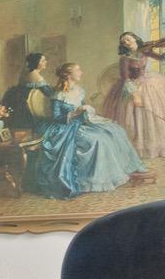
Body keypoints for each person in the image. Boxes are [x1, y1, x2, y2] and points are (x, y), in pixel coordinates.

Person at [28, 63, 154, 199]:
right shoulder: (58, 95)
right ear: (68, 75)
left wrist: (86, 111)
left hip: (81, 122)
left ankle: (130, 168)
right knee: (98, 139)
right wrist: (75, 113)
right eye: (78, 70)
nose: (81, 72)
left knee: (115, 130)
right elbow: (56, 117)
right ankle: (94, 180)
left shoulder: (79, 90)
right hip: (65, 128)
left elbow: (82, 108)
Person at [100, 30, 165, 158]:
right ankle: (136, 149)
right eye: (123, 41)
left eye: (128, 39)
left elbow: (162, 58)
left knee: (161, 115)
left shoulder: (145, 51)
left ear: (135, 39)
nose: (126, 42)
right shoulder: (124, 59)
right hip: (132, 87)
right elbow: (126, 79)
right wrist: (135, 95)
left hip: (148, 83)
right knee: (134, 118)